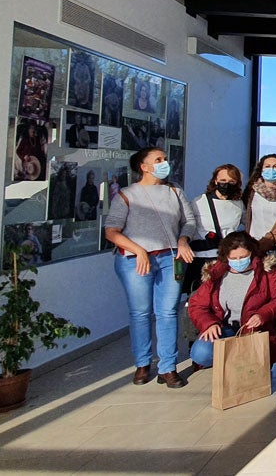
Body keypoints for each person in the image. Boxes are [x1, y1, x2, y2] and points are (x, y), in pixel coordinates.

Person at [104, 147, 199, 387]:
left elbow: (189, 221)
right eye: (158, 160)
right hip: (135, 260)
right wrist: (138, 250)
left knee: (167, 312)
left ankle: (168, 367)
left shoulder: (175, 191)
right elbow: (111, 231)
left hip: (170, 259)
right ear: (144, 167)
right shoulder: (126, 195)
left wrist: (182, 240)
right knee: (141, 313)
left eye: (165, 159)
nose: (164, 162)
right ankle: (143, 363)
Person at [187, 232, 276, 385]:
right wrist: (209, 324)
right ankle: (230, 362)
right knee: (200, 353)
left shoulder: (267, 271)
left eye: (243, 257)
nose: (239, 261)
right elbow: (197, 304)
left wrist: (262, 314)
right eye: (233, 258)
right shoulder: (216, 273)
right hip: (225, 328)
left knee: (260, 362)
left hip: (255, 330)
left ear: (252, 253)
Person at [186, 164, 246, 295]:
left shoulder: (239, 204)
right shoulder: (198, 202)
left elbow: (249, 223)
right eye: (223, 180)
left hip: (228, 259)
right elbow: (187, 224)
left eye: (231, 181)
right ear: (215, 181)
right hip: (203, 260)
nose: (227, 184)